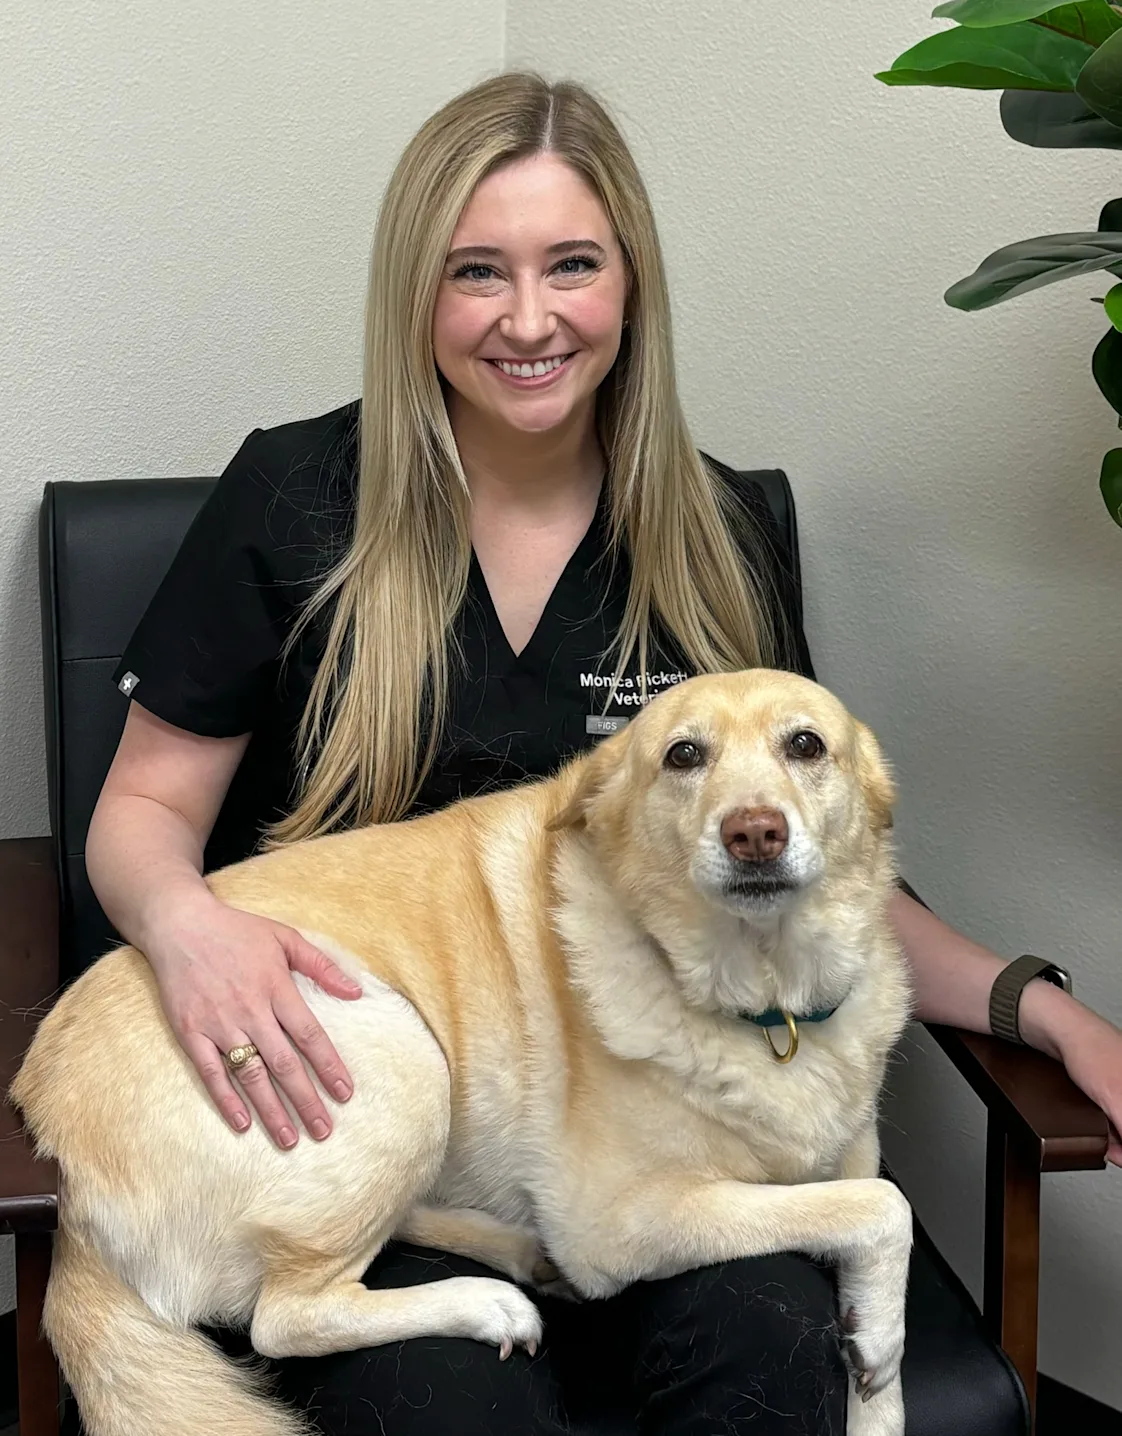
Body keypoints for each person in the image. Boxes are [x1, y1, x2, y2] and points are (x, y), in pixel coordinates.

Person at [84, 71, 1122, 1436]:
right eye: (476, 273)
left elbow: (808, 865)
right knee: (461, 1416)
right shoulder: (292, 497)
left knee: (760, 1361)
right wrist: (187, 927)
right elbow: (146, 803)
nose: (528, 320)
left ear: (628, 286)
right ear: (417, 296)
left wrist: (1040, 1006)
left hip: (652, 1138)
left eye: (570, 265)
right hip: (375, 1123)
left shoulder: (711, 530)